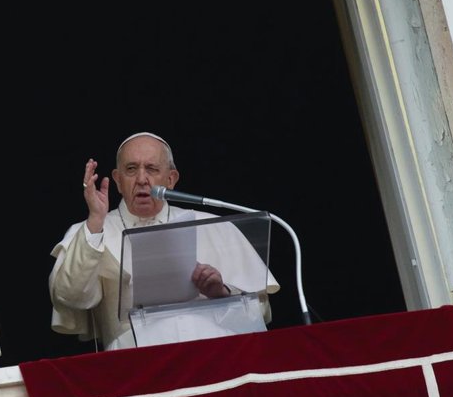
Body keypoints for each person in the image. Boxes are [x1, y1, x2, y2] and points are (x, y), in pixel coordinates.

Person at [49, 132, 280, 350]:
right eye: (131, 169)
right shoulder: (91, 231)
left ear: (171, 179)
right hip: (134, 367)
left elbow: (260, 312)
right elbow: (71, 297)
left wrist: (221, 292)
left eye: (151, 168)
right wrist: (96, 221)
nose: (142, 179)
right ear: (118, 180)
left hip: (213, 358)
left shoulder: (213, 226)